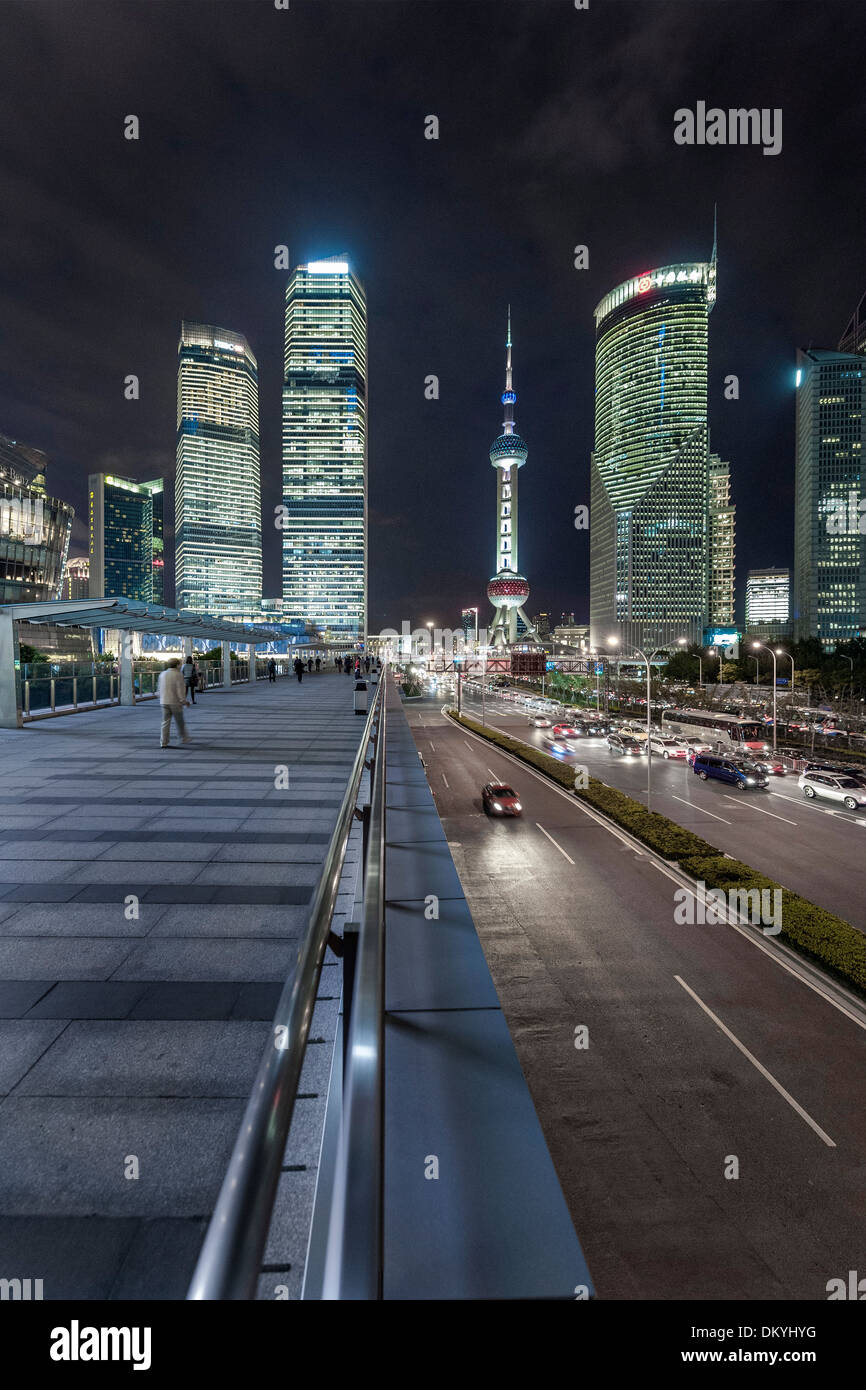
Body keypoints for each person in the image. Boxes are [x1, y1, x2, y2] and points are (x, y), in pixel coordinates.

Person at [158, 658, 190, 748]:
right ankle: (184, 737)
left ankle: (163, 742)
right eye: (179, 664)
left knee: (165, 722)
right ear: (177, 665)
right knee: (180, 721)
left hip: (164, 701)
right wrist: (184, 701)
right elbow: (180, 690)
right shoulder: (178, 674)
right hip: (174, 702)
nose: (180, 666)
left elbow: (159, 688)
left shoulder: (163, 674)